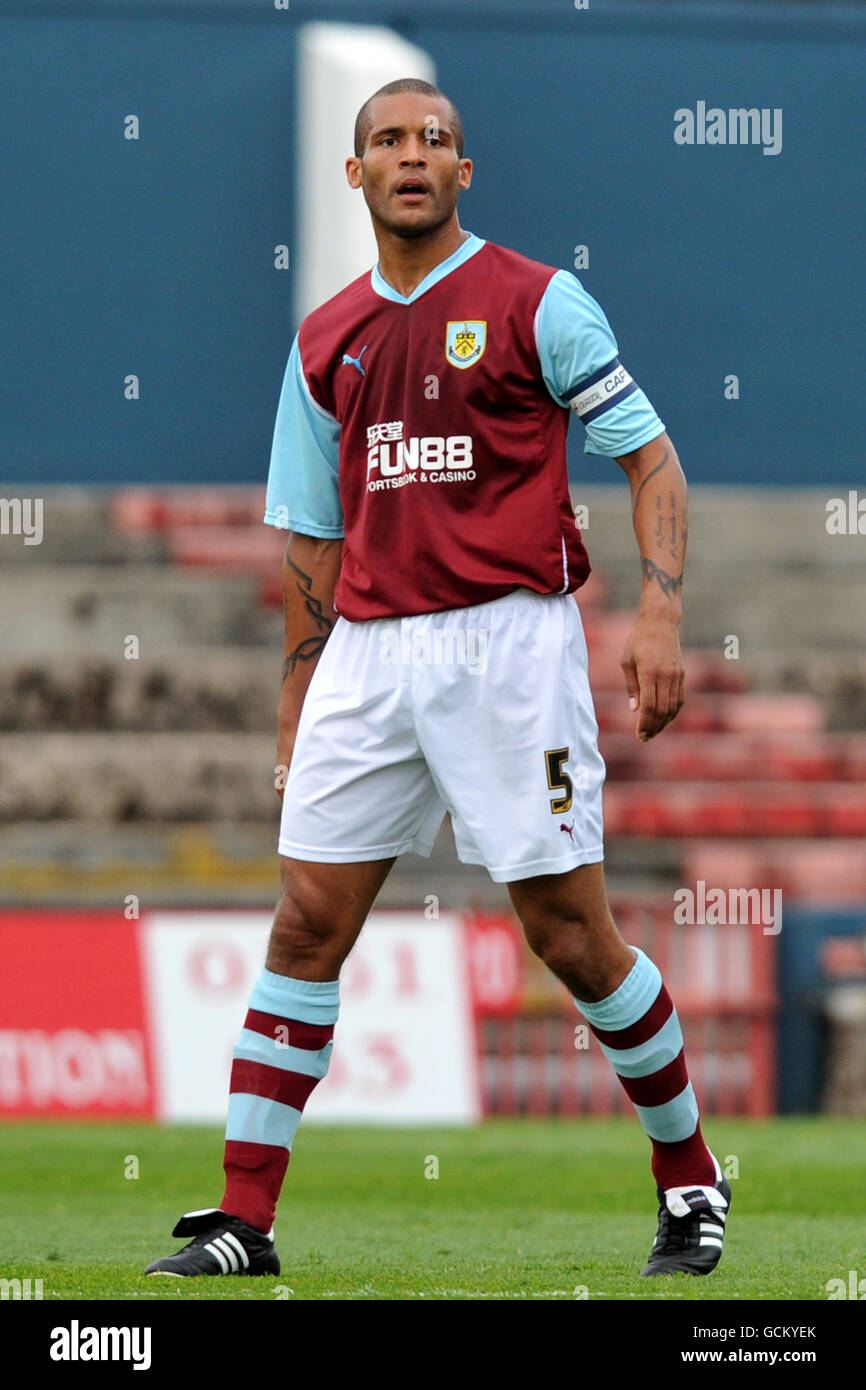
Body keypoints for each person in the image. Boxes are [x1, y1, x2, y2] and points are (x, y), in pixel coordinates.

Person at [146, 78, 730, 1281]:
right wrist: (297, 698)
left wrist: (661, 610)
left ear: (466, 172)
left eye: (437, 141)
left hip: (508, 645)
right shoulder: (321, 340)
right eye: (389, 142)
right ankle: (242, 1222)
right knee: (307, 922)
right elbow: (311, 539)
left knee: (568, 936)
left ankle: (687, 1180)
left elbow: (652, 458)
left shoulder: (536, 302)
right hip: (368, 649)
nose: (414, 156)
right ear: (353, 174)